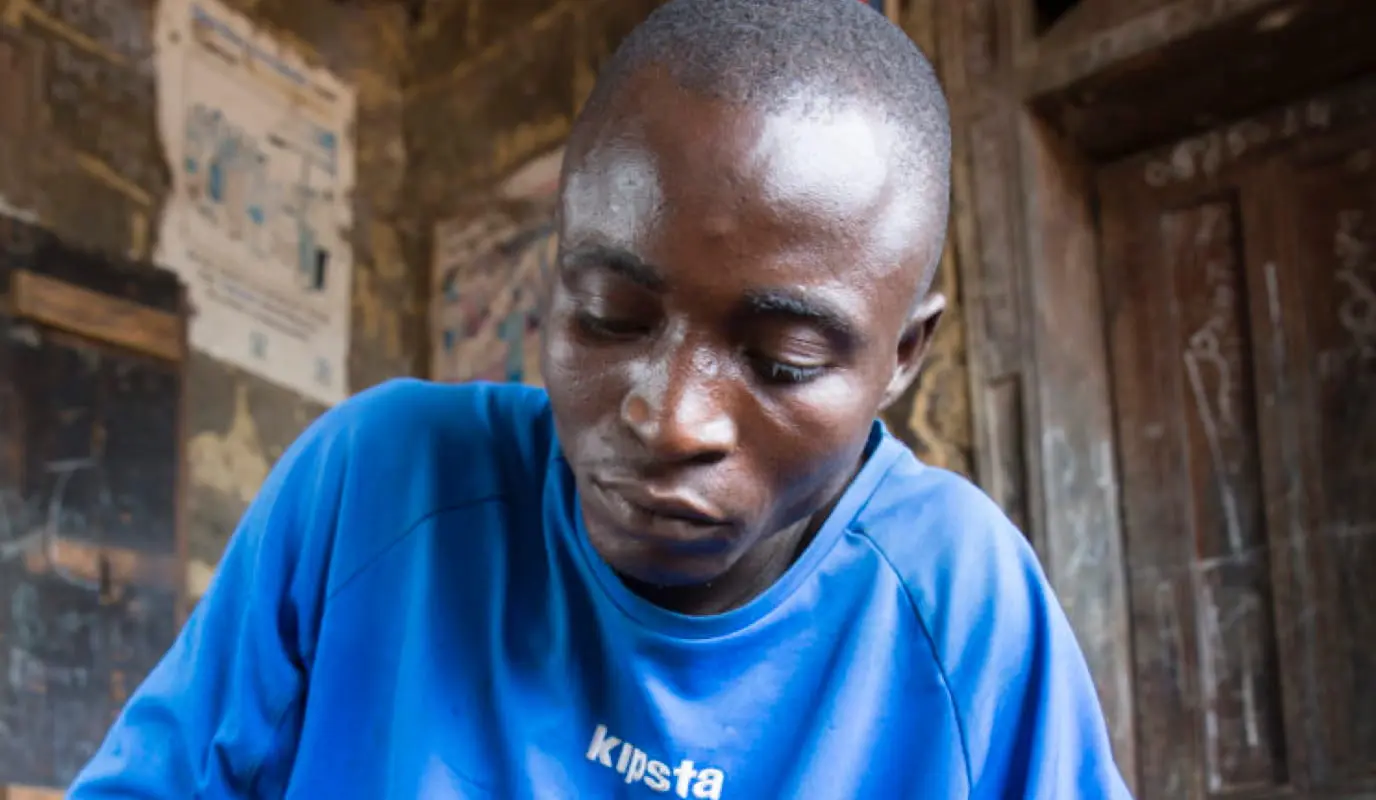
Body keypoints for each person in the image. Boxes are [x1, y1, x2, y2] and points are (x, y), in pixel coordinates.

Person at [69, 0, 1133, 797]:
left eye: (782, 359)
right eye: (609, 316)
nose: (669, 418)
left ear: (901, 356)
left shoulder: (962, 609)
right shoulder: (380, 485)